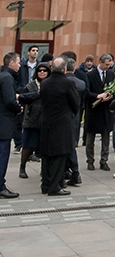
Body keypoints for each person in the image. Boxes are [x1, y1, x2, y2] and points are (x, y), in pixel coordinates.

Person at [39, 57, 80, 196]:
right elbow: (75, 104)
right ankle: (55, 186)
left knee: (46, 155)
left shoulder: (45, 83)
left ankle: (45, 184)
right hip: (62, 124)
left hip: (46, 122)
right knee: (60, 156)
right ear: (64, 69)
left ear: (51, 68)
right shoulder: (68, 83)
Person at [17, 62, 50, 178]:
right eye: (40, 70)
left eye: (45, 70)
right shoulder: (30, 86)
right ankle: (22, 167)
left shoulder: (50, 85)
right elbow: (23, 98)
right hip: (32, 119)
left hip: (46, 120)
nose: (42, 72)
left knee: (45, 148)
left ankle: (44, 170)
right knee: (27, 146)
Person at [84, 53, 115, 171]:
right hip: (93, 111)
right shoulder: (90, 75)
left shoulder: (111, 74)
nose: (108, 66)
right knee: (90, 138)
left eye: (110, 64)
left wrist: (110, 97)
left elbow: (114, 90)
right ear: (100, 62)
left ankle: (104, 161)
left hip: (106, 111)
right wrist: (97, 96)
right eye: (106, 64)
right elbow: (86, 93)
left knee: (106, 138)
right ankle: (90, 161)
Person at [0, 52, 22, 198]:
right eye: (18, 62)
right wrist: (18, 108)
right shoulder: (7, 78)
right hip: (4, 123)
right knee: (2, 156)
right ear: (11, 63)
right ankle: (0, 186)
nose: (19, 65)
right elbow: (9, 100)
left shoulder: (2, 75)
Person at [64, 58, 85, 186]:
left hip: (63, 118)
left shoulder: (61, 82)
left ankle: (68, 171)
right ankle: (74, 172)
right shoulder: (80, 83)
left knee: (64, 146)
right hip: (75, 117)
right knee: (72, 145)